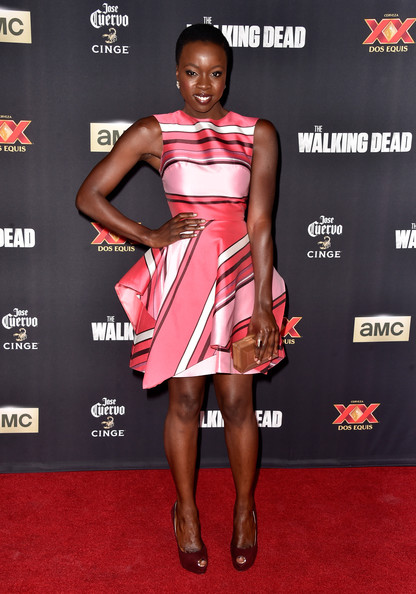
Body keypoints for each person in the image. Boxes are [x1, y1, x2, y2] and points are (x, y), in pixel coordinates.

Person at [76, 23, 286, 574]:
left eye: (215, 73)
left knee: (238, 403)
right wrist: (149, 235)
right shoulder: (156, 130)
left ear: (227, 76)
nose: (203, 84)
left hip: (240, 280)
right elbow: (89, 195)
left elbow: (260, 222)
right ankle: (186, 513)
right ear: (176, 73)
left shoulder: (258, 133)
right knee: (186, 402)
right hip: (184, 283)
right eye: (192, 72)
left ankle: (244, 510)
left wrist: (263, 303)